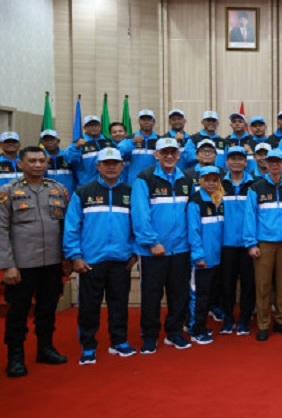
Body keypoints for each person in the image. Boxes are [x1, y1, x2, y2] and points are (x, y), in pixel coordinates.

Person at [0, 146, 70, 377]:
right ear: (20, 164)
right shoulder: (7, 192)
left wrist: (66, 258)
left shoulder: (58, 190)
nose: (38, 165)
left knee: (47, 309)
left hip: (51, 262)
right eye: (32, 161)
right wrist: (7, 264)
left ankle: (45, 348)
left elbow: (65, 227)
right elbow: (1, 229)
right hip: (21, 264)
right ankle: (16, 356)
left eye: (42, 161)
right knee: (18, 312)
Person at [64, 147, 137, 365]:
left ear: (122, 166)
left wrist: (133, 253)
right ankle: (88, 346)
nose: (111, 167)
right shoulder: (83, 193)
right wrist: (75, 256)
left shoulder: (130, 192)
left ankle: (119, 341)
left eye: (115, 163)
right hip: (91, 261)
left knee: (119, 304)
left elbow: (138, 225)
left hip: (121, 261)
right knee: (89, 306)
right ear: (98, 166)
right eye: (107, 163)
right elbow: (71, 228)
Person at [131, 137, 194, 353]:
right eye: (164, 152)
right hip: (154, 250)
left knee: (179, 293)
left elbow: (191, 214)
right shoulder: (144, 178)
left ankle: (174, 332)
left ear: (178, 155)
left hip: (181, 248)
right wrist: (151, 242)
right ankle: (150, 336)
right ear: (156, 155)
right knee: (151, 294)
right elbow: (140, 214)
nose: (169, 156)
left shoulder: (186, 179)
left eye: (173, 152)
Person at [243, 148, 282, 342]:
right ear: (266, 164)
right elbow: (249, 217)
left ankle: (281, 321)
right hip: (264, 244)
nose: (275, 165)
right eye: (272, 162)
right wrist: (251, 243)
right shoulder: (256, 188)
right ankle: (264, 324)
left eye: (279, 162)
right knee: (263, 285)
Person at [219, 147, 257, 336]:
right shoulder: (218, 184)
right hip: (225, 243)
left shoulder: (254, 184)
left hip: (247, 243)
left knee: (249, 284)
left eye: (240, 159)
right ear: (226, 162)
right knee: (227, 284)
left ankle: (244, 319)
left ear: (246, 162)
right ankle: (227, 318)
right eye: (232, 158)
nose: (236, 162)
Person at [186, 166, 225, 345]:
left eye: (214, 180)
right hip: (201, 260)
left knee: (207, 296)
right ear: (201, 181)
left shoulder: (218, 201)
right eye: (207, 180)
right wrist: (198, 256)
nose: (211, 183)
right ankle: (196, 329)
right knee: (198, 296)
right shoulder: (195, 202)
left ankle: (199, 324)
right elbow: (193, 232)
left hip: (215, 258)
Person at [66, 115, 115, 186]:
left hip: (107, 184)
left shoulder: (108, 142)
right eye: (90, 125)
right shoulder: (77, 143)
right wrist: (76, 147)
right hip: (87, 185)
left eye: (96, 125)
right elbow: (69, 159)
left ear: (100, 126)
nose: (93, 128)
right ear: (84, 128)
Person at [118, 109, 159, 184]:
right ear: (139, 121)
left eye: (149, 120)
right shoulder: (129, 139)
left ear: (153, 122)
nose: (146, 122)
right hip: (135, 181)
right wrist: (133, 142)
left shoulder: (159, 140)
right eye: (143, 119)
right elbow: (119, 152)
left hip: (155, 181)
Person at [40, 130, 77, 195]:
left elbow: (77, 175)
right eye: (46, 140)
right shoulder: (39, 159)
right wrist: (44, 163)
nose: (49, 142)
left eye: (52, 139)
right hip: (48, 197)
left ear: (58, 141)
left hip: (68, 196)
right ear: (42, 142)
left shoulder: (67, 156)